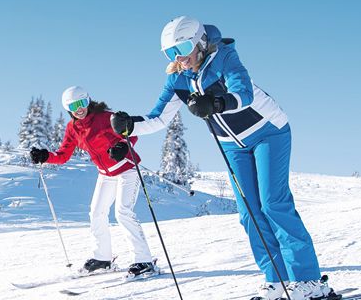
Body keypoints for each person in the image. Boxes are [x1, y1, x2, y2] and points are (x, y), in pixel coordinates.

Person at [110, 16, 336, 300]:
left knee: (273, 203)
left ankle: (309, 281)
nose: (178, 57)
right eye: (170, 53)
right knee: (248, 213)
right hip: (233, 146)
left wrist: (217, 103)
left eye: (182, 47)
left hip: (268, 132)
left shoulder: (224, 57)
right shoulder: (178, 79)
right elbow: (158, 118)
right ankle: (276, 281)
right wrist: (130, 125)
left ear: (200, 41)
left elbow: (243, 93)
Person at [29, 86, 158, 279]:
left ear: (88, 101)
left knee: (123, 212)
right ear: (68, 108)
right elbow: (63, 155)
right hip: (106, 175)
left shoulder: (106, 117)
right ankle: (103, 259)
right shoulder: (73, 128)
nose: (79, 109)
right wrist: (45, 156)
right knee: (96, 212)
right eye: (74, 106)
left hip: (126, 169)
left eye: (82, 103)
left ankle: (144, 260)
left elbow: (131, 131)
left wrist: (122, 146)